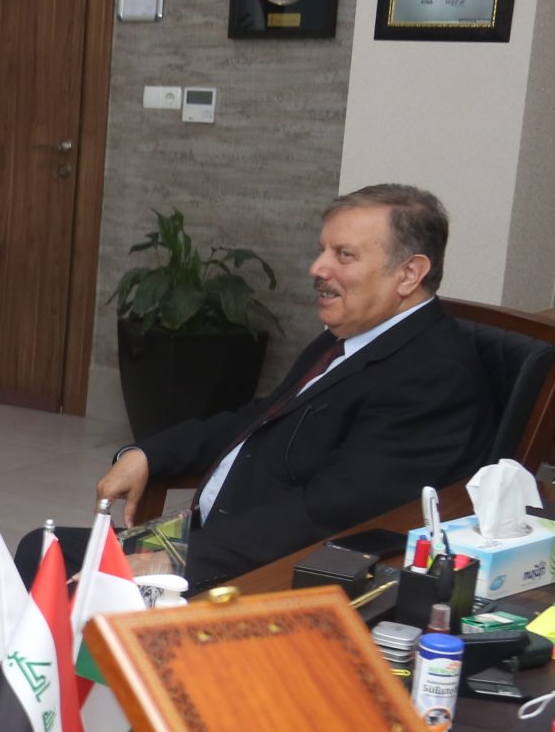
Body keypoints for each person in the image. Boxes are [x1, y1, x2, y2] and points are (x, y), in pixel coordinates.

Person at [91, 184, 482, 589]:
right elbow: (257, 419)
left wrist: (179, 561)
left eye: (343, 255)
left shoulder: (433, 375)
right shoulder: (348, 337)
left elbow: (329, 513)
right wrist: (148, 454)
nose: (317, 268)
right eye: (322, 250)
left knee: (66, 582)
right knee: (52, 551)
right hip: (209, 541)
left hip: (256, 573)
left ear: (409, 274)